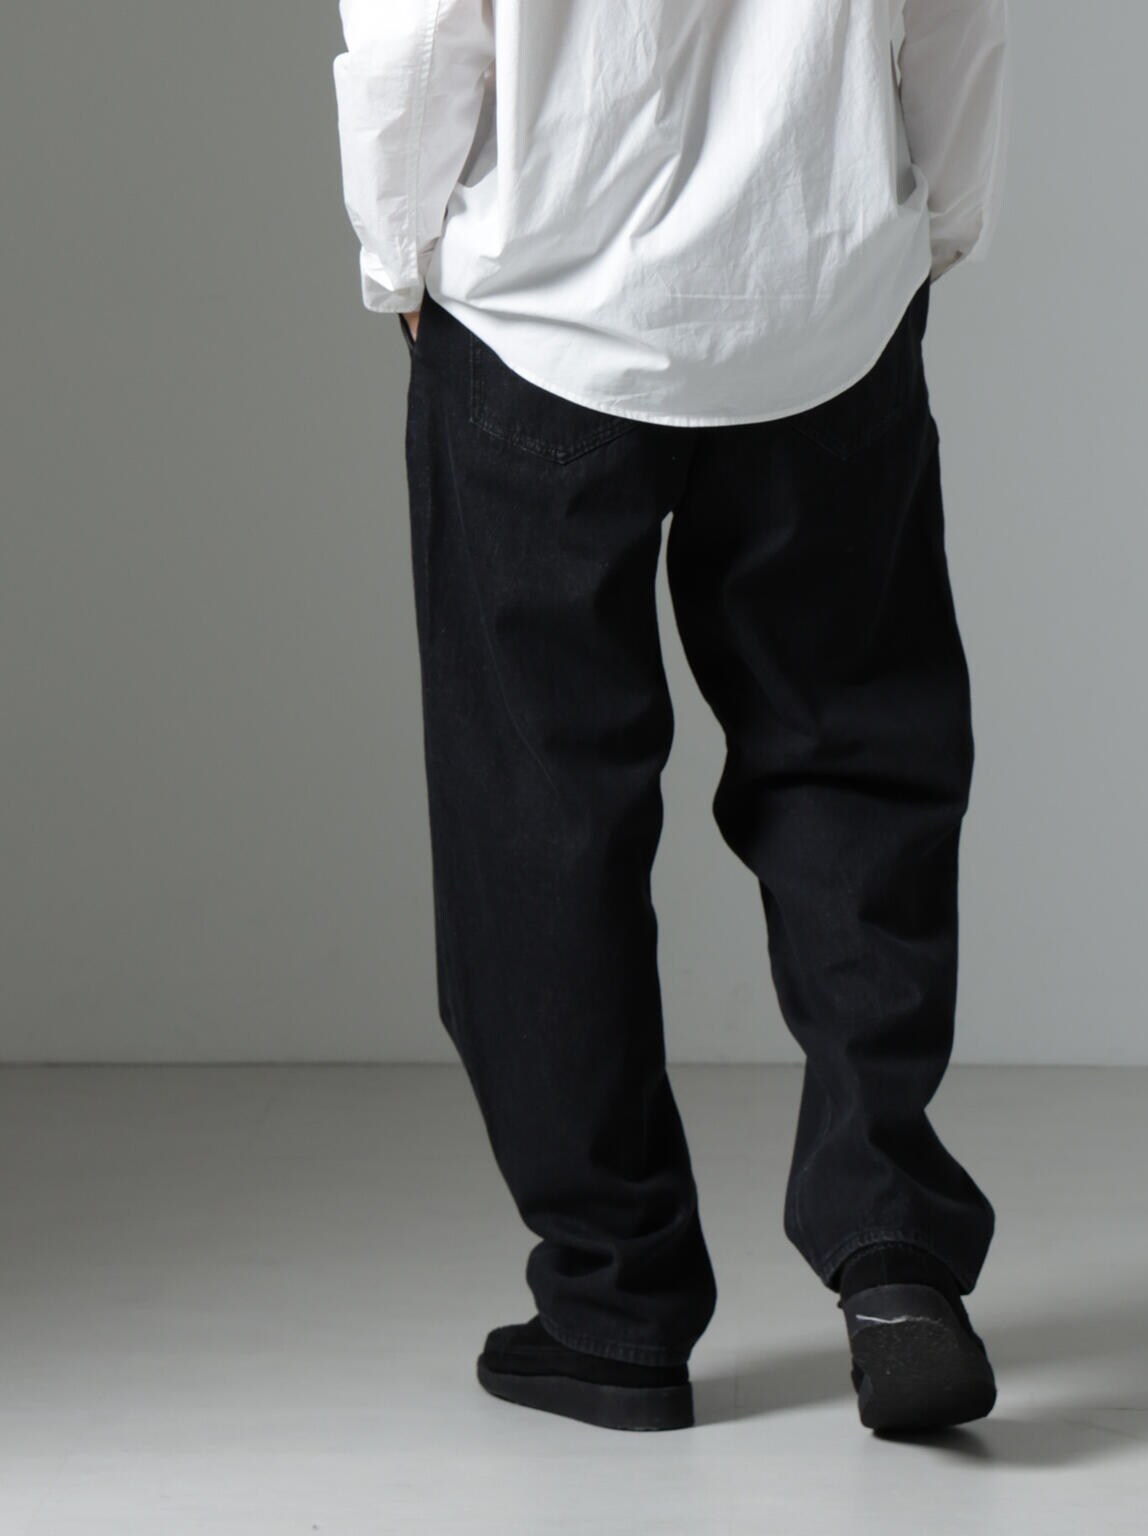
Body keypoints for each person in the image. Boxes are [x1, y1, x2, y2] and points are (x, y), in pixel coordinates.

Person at [332, 0, 1010, 1435]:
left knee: (541, 818)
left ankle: (613, 1304)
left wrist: (399, 254)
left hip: (542, 306)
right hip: (820, 284)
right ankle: (893, 1249)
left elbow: (420, 31)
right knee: (857, 763)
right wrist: (936, 220)